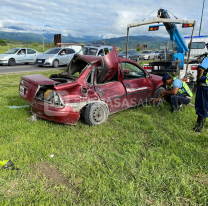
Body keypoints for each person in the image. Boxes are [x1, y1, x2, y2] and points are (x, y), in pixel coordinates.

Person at [193, 55, 208, 133]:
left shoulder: (207, 58)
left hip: (205, 87)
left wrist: (198, 78)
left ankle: (199, 128)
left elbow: (201, 68)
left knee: (202, 105)